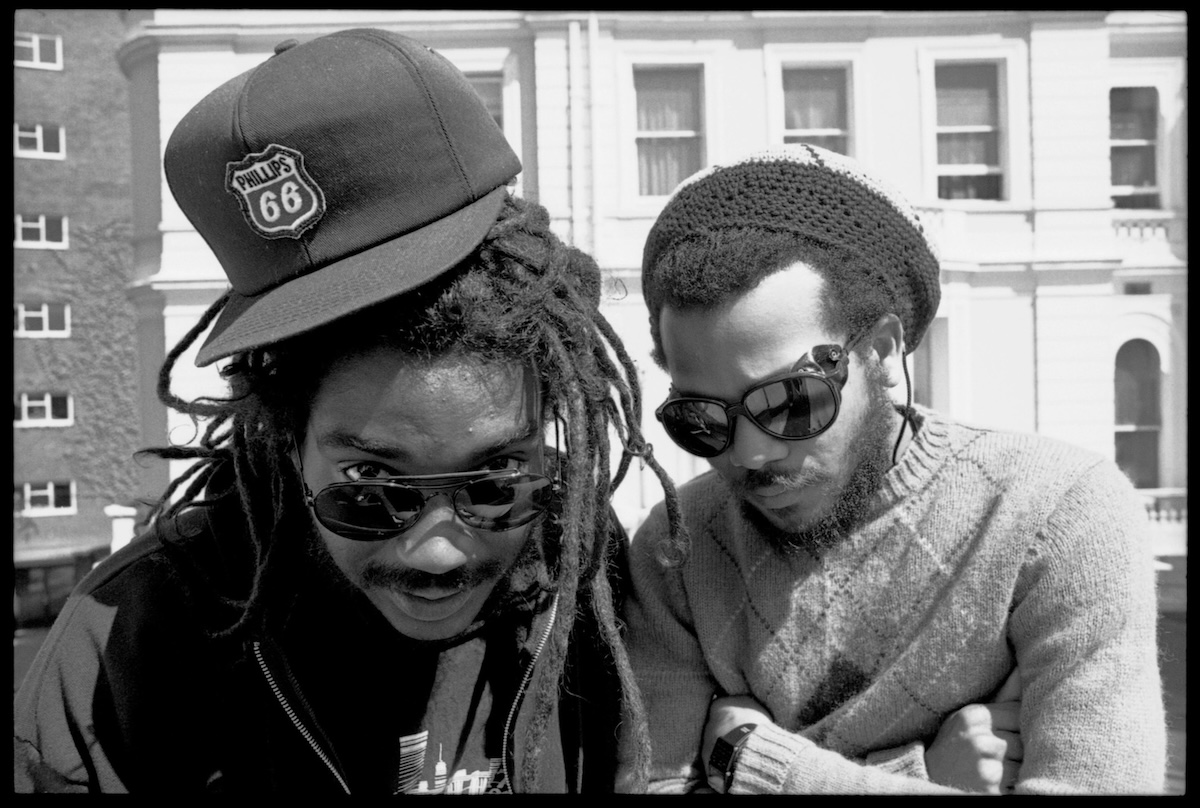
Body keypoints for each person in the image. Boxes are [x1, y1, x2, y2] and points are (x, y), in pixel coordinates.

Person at [13, 29, 680, 795]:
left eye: (496, 481)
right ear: (287, 441)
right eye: (370, 486)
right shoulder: (126, 644)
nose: (438, 553)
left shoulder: (599, 583)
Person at [617, 144, 1166, 794]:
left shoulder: (1057, 513)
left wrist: (750, 762)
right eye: (703, 419)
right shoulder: (677, 551)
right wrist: (922, 774)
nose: (750, 454)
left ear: (879, 351)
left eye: (791, 402)